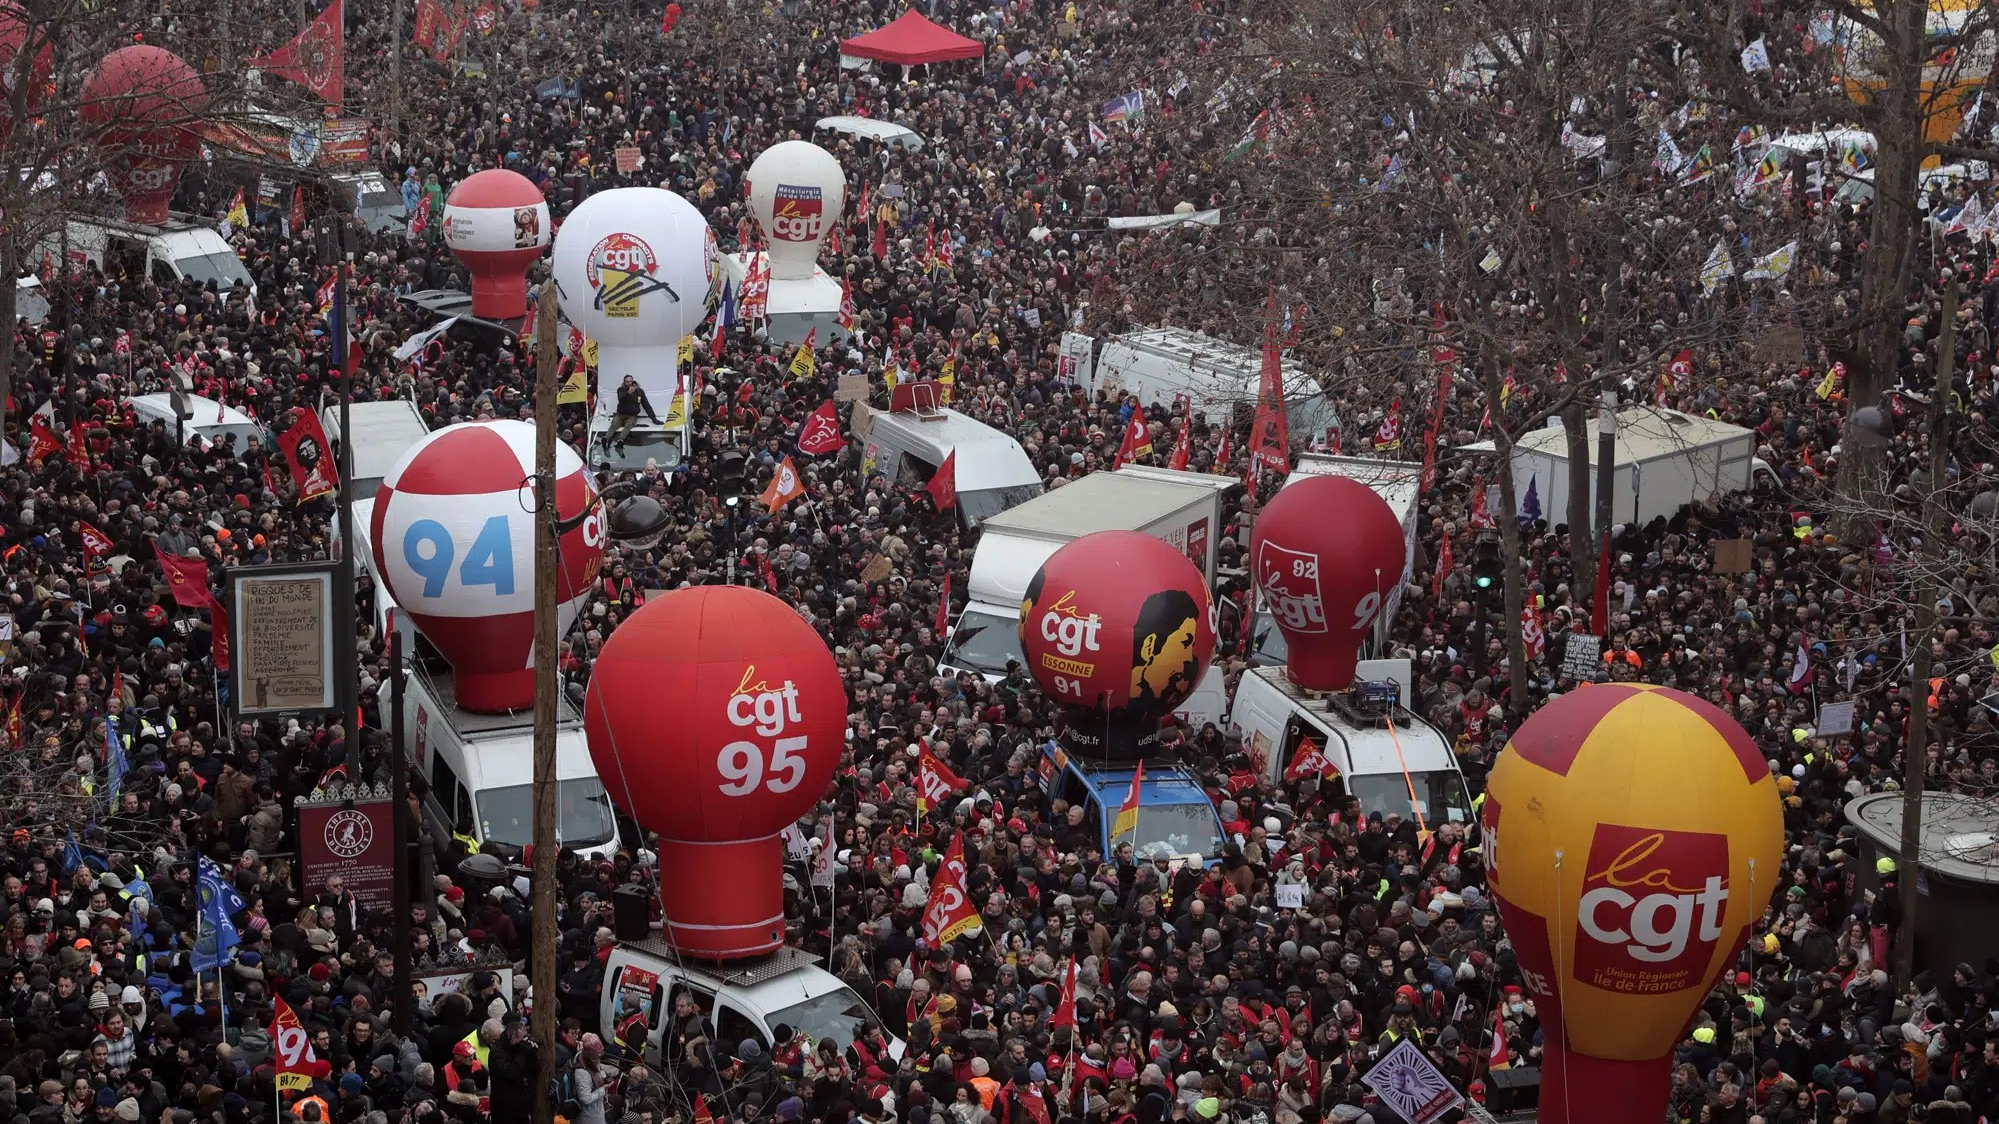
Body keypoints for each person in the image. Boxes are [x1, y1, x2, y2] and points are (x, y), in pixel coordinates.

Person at [608, 375, 661, 452]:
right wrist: (628, 392)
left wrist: (653, 418)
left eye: (630, 381)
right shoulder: (621, 390)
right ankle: (607, 440)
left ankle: (620, 441)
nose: (629, 383)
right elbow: (621, 399)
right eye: (627, 382)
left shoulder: (640, 392)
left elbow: (646, 405)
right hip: (621, 414)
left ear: (633, 381)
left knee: (628, 425)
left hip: (632, 415)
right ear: (624, 382)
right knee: (613, 425)